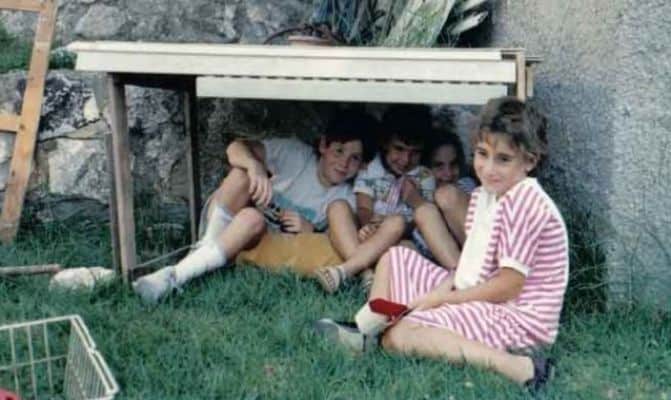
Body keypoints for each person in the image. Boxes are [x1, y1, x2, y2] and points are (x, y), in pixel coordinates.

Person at [315, 97, 568, 390]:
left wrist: (442, 301)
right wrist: (438, 293)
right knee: (395, 257)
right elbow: (470, 266)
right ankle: (368, 327)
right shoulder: (486, 195)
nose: (488, 168)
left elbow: (508, 286)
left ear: (530, 161)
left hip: (517, 317)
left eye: (503, 159)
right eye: (482, 154)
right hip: (481, 293)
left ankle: (520, 367)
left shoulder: (525, 204)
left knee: (400, 336)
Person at [133, 109, 377, 303]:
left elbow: (336, 241)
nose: (344, 163)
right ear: (323, 145)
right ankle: (204, 251)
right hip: (223, 220)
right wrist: (255, 167)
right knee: (242, 175)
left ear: (362, 164)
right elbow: (235, 148)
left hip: (256, 238)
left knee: (252, 218)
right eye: (339, 151)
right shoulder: (296, 154)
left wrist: (311, 230)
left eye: (354, 158)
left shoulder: (346, 197)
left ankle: (180, 273)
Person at [314, 105, 435, 293]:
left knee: (398, 225)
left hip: (398, 239)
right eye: (399, 149)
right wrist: (369, 226)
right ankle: (366, 274)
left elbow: (424, 220)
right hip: (365, 233)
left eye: (415, 153)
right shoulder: (371, 167)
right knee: (337, 206)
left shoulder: (424, 176)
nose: (405, 160)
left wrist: (414, 199)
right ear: (385, 143)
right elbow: (364, 207)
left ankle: (344, 271)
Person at [411, 130, 477, 263]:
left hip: (477, 255)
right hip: (444, 265)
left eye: (453, 164)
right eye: (438, 166)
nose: (448, 174)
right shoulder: (415, 194)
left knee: (445, 194)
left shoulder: (465, 186)